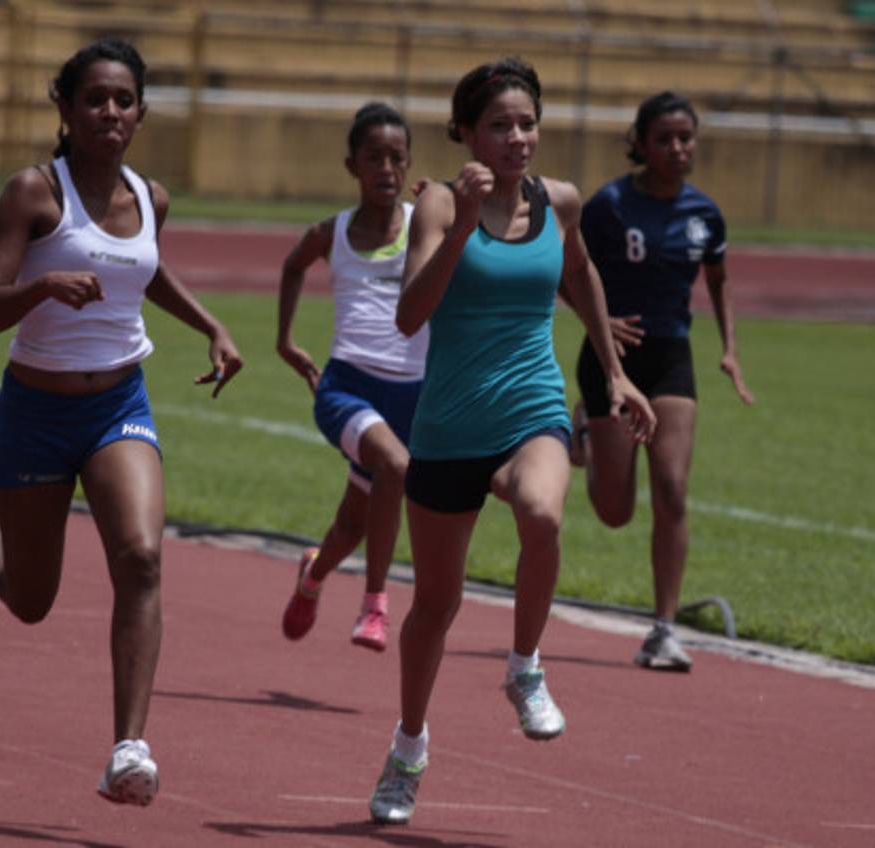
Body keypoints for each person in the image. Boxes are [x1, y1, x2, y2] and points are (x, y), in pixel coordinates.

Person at [0, 39, 243, 807]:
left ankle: (128, 749)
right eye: (95, 99)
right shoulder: (33, 193)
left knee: (141, 557)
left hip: (117, 405)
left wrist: (210, 324)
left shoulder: (152, 197)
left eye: (124, 100)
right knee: (32, 601)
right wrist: (42, 286)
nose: (110, 111)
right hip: (35, 415)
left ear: (140, 112)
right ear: (66, 108)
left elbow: (143, 267)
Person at [366, 57, 657, 826]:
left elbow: (580, 276)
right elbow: (409, 316)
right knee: (435, 606)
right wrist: (463, 225)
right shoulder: (436, 203)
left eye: (527, 123)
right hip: (449, 425)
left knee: (542, 513)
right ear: (466, 133)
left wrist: (616, 373)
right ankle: (409, 746)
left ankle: (525, 667)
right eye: (499, 125)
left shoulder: (560, 201)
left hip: (532, 405)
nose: (517, 137)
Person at [568, 91, 754, 672]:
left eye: (686, 138)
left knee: (671, 488)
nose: (677, 148)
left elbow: (719, 279)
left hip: (672, 358)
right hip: (612, 360)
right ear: (642, 145)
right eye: (665, 139)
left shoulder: (705, 214)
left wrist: (729, 348)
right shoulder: (609, 206)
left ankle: (663, 630)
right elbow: (561, 267)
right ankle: (587, 430)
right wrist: (596, 321)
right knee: (615, 511)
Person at [277, 102, 427, 653]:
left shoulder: (425, 226)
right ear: (352, 166)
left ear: (409, 164)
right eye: (374, 157)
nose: (386, 168)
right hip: (347, 388)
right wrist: (285, 340)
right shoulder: (332, 232)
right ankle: (375, 605)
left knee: (352, 526)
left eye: (397, 157)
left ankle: (313, 575)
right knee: (396, 466)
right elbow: (293, 264)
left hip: (412, 397)